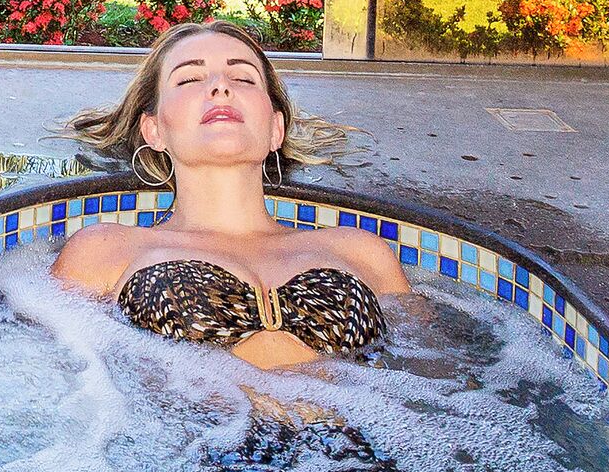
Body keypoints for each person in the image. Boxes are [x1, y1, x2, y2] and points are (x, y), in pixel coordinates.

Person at [51, 20, 408, 369]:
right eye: (190, 79)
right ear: (154, 130)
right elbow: (53, 368)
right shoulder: (102, 250)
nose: (221, 86)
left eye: (243, 78)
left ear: (276, 128)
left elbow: (423, 363)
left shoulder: (361, 251)